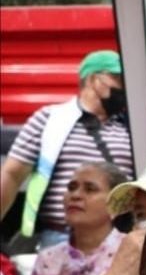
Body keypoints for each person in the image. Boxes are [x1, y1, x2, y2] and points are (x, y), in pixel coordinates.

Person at [0, 50, 133, 249]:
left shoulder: (132, 125)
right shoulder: (50, 119)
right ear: (93, 80)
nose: (124, 86)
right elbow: (12, 174)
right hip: (60, 236)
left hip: (119, 236)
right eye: (117, 78)